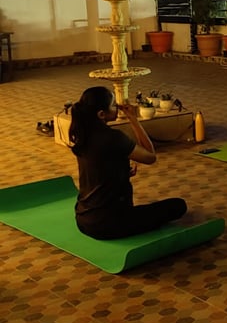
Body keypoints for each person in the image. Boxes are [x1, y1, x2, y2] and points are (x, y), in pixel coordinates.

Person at [69, 86, 187, 240]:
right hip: (107, 224)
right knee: (178, 206)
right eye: (113, 105)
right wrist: (133, 119)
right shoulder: (113, 137)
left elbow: (97, 169)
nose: (117, 107)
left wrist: (121, 171)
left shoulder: (82, 135)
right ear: (101, 114)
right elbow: (150, 156)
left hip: (83, 220)